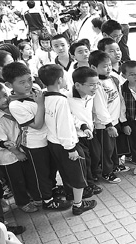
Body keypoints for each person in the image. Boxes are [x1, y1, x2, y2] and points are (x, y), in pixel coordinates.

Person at [3, 62, 73, 211]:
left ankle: (52, 190)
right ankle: (46, 200)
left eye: (29, 79)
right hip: (34, 145)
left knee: (50, 170)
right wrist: (40, 104)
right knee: (40, 174)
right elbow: (37, 125)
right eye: (22, 82)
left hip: (48, 139)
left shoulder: (34, 91)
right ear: (9, 85)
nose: (28, 85)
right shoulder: (15, 105)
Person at [38, 64, 98, 215]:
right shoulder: (62, 101)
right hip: (67, 145)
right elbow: (64, 125)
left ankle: (72, 196)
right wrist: (71, 148)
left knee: (66, 172)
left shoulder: (44, 97)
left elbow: (69, 118)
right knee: (77, 174)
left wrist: (82, 125)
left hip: (53, 143)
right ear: (59, 80)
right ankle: (78, 205)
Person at [0, 81, 40, 213]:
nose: (4, 100)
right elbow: (1, 141)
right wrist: (17, 153)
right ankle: (22, 202)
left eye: (5, 95)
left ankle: (30, 196)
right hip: (8, 157)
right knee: (16, 181)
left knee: (26, 176)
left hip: (20, 150)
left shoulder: (13, 108)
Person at [89, 50, 129, 183]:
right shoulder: (97, 85)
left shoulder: (111, 78)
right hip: (104, 124)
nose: (108, 68)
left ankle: (115, 165)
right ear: (93, 67)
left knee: (113, 147)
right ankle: (107, 172)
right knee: (106, 150)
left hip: (114, 120)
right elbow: (99, 107)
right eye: (105, 66)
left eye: (110, 65)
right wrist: (108, 125)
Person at [68, 66, 104, 189]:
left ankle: (94, 177)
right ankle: (89, 185)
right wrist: (82, 126)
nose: (96, 87)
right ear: (78, 85)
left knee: (96, 156)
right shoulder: (67, 98)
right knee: (86, 161)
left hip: (90, 132)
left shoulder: (90, 95)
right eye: (92, 85)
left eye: (97, 84)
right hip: (78, 136)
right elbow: (69, 116)